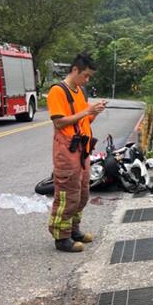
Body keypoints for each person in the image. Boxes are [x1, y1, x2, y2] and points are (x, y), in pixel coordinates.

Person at [47, 52, 107, 252]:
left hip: (83, 150)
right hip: (67, 151)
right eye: (86, 75)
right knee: (67, 194)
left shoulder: (80, 92)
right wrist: (87, 111)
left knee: (82, 193)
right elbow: (59, 121)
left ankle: (74, 230)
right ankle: (61, 237)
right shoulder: (58, 91)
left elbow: (83, 120)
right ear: (75, 70)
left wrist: (93, 113)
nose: (87, 80)